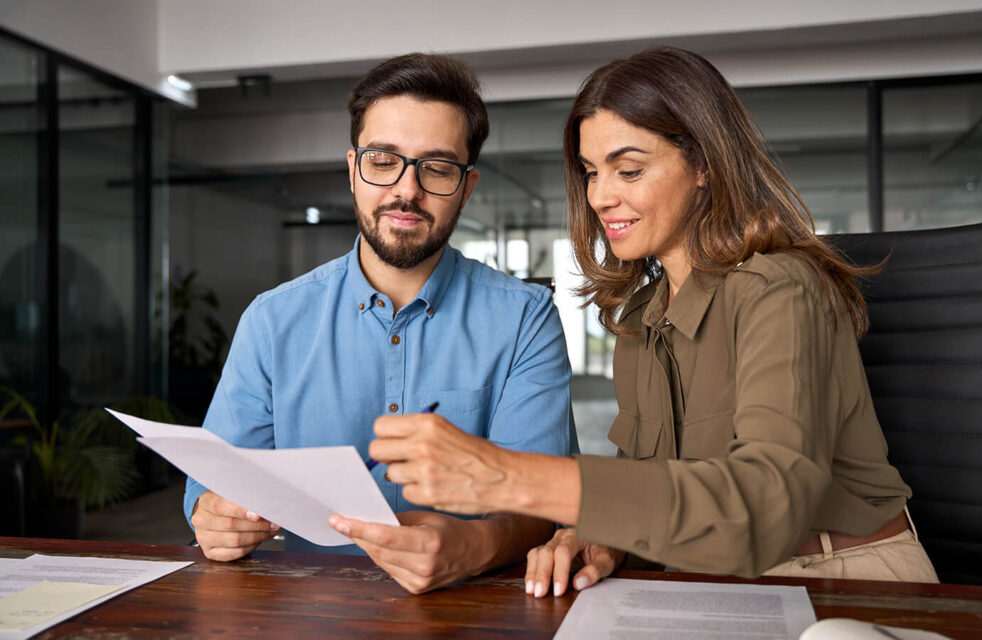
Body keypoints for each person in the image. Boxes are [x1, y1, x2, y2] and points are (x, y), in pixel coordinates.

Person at [367, 47, 939, 597]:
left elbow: (765, 508)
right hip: (714, 581)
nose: (601, 196)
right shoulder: (641, 320)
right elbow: (664, 500)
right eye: (591, 172)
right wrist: (605, 538)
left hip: (844, 577)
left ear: (704, 166)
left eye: (629, 169)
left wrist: (509, 477)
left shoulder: (782, 288)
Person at [184, 53, 577, 594]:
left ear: (467, 186)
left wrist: (473, 546)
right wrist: (212, 515)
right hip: (311, 613)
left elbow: (544, 502)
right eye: (384, 159)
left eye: (437, 168)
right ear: (353, 169)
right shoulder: (272, 321)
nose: (407, 190)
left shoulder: (524, 319)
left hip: (477, 612)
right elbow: (211, 484)